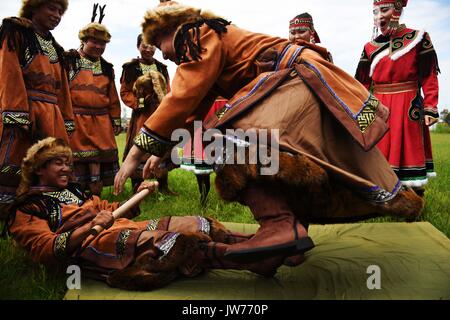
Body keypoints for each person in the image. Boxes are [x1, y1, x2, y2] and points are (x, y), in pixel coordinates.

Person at [115, 1, 424, 276]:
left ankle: (279, 225)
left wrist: (133, 154)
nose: (164, 56)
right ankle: (292, 236)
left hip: (294, 82)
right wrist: (162, 151)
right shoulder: (208, 41)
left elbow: (181, 95)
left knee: (229, 140)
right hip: (295, 84)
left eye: (160, 44)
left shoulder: (196, 34)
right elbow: (193, 107)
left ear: (172, 29)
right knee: (279, 157)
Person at [5, 136, 258, 290]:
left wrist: (137, 195)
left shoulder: (76, 192)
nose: (66, 169)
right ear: (38, 169)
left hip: (119, 227)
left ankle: (258, 243)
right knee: (171, 244)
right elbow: (44, 249)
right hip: (95, 244)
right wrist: (90, 227)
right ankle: (255, 259)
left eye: (68, 163)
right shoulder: (28, 208)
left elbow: (112, 211)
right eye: (58, 163)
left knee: (192, 223)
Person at [355, 0, 440, 196]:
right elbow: (361, 85)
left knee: (409, 149)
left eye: (384, 10)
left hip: (408, 102)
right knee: (375, 147)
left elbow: (429, 75)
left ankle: (413, 196)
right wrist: (361, 117)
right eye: (375, 12)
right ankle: (381, 194)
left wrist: (431, 106)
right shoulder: (369, 47)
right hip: (378, 104)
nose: (379, 16)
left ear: (398, 10)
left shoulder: (419, 38)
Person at [0, 0, 74, 218]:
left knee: (52, 165)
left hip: (53, 114)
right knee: (15, 161)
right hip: (26, 110)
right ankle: (8, 215)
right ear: (34, 7)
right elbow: (8, 72)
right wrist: (18, 114)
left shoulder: (57, 48)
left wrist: (66, 119)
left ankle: (42, 214)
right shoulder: (16, 31)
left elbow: (63, 90)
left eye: (60, 11)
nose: (57, 15)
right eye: (51, 8)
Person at [64, 4, 121, 196]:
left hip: (101, 121)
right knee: (78, 160)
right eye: (94, 42)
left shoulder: (107, 67)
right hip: (77, 119)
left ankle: (96, 198)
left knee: (98, 159)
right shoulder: (69, 60)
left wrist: (115, 119)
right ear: (84, 41)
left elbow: (113, 96)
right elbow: (61, 91)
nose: (98, 46)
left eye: (102, 43)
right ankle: (78, 197)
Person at [120, 34, 176, 195]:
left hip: (160, 112)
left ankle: (163, 186)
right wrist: (139, 103)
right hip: (142, 114)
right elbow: (125, 91)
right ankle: (137, 188)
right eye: (144, 45)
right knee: (139, 144)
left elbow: (168, 90)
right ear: (138, 46)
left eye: (151, 45)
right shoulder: (130, 68)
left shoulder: (162, 68)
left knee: (161, 146)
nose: (148, 49)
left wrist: (166, 105)